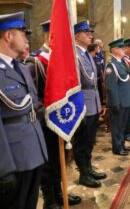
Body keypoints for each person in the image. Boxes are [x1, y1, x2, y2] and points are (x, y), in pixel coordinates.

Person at [26, 20, 81, 208]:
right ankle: (49, 199)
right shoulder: (36, 61)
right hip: (46, 120)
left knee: (59, 160)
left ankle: (59, 193)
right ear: (51, 37)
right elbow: (32, 96)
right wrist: (48, 114)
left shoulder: (60, 60)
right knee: (49, 161)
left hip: (62, 116)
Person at [0, 12, 48, 209]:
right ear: (8, 36)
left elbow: (32, 106)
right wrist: (3, 168)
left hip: (33, 149)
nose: (26, 38)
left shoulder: (20, 67)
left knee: (30, 202)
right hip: (14, 157)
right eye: (22, 33)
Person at [73, 20, 106, 188]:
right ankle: (83, 174)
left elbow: (94, 79)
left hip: (93, 101)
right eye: (86, 33)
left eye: (90, 32)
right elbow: (80, 81)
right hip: (83, 103)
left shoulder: (86, 54)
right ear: (77, 35)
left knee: (90, 140)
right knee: (82, 141)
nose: (90, 35)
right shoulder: (74, 55)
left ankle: (88, 167)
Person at [104, 38, 130, 156]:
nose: (123, 49)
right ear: (114, 50)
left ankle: (122, 144)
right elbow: (111, 86)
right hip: (118, 102)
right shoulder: (111, 65)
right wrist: (115, 103)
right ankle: (117, 147)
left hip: (125, 100)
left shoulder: (121, 63)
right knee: (117, 126)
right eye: (121, 48)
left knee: (123, 125)